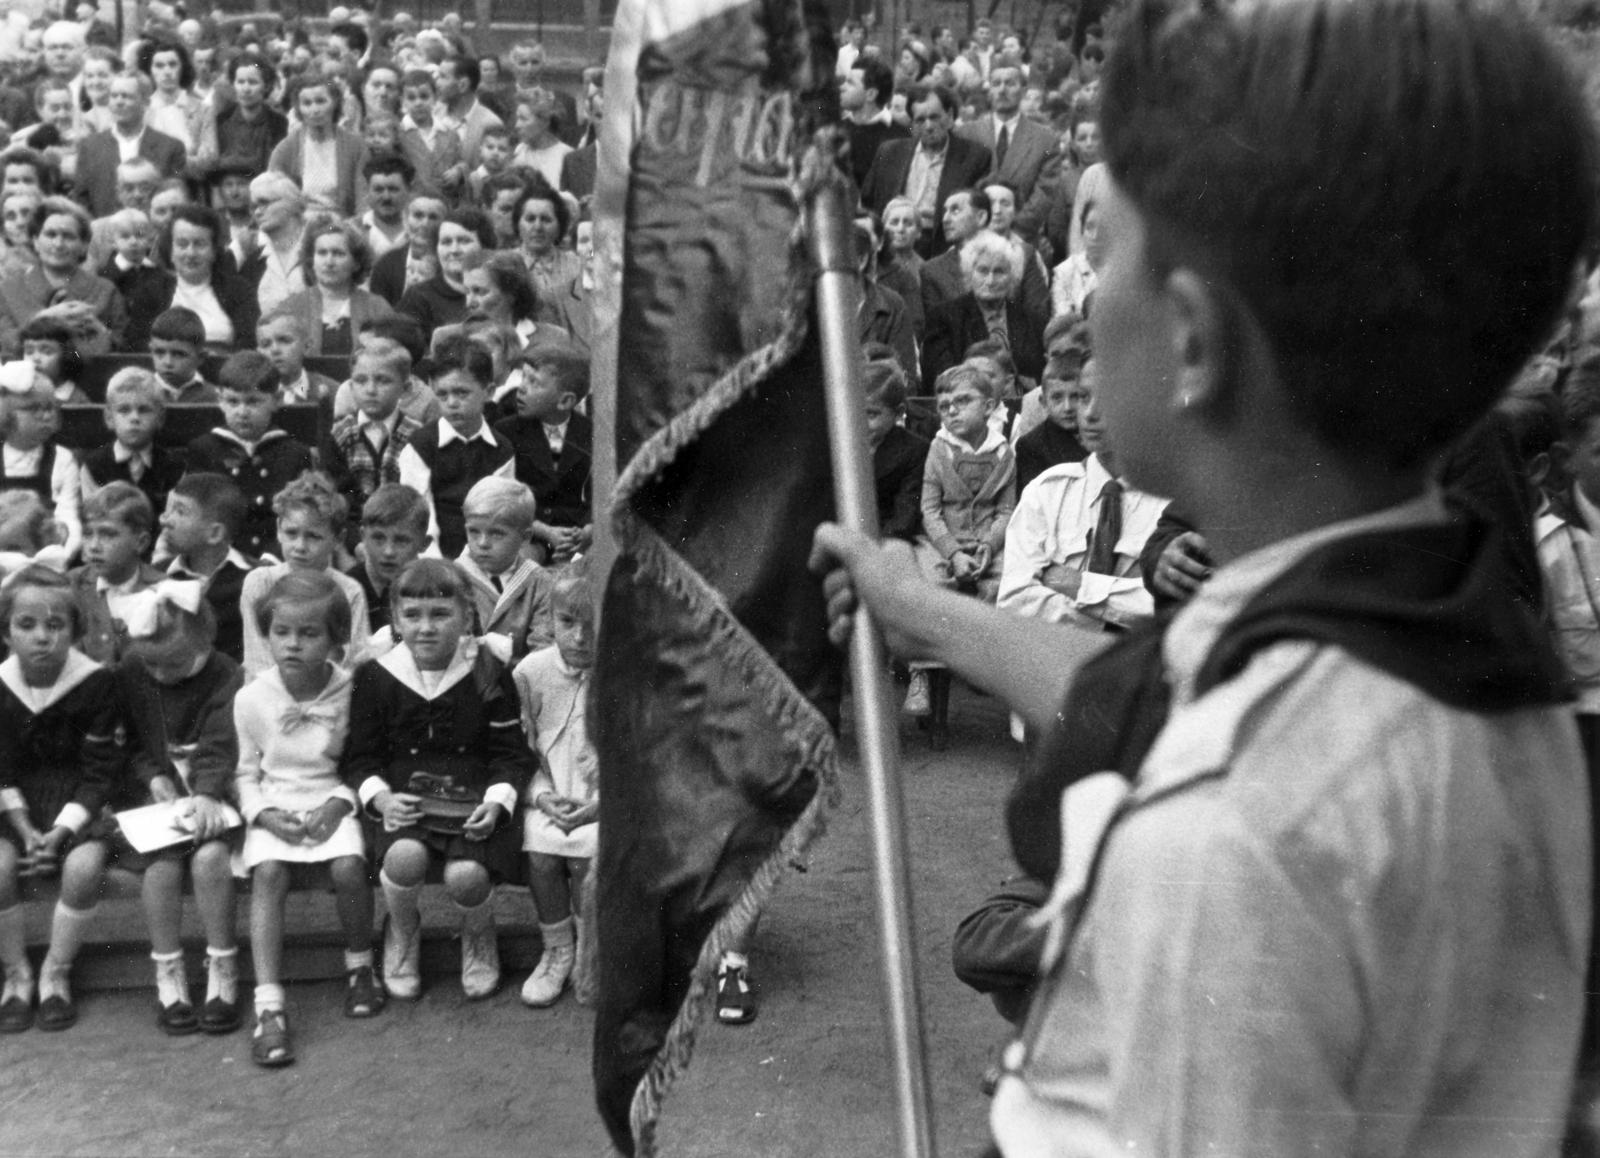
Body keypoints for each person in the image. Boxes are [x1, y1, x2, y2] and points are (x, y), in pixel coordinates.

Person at [809, 0, 1597, 1151]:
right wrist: (920, 607)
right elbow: (1151, 685)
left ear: (1189, 339)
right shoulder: (1439, 615)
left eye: (1106, 247)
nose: (1087, 284)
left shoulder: (1230, 841)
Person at [341, 557, 535, 1002]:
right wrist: (383, 799)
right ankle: (403, 930)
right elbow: (360, 758)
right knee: (404, 857)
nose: (425, 628)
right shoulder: (376, 676)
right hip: (404, 800)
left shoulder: (487, 670)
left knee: (466, 874)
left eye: (440, 614)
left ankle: (478, 934)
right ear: (395, 619)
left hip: (472, 800)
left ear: (466, 616)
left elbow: (511, 755)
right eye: (412, 615)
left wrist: (498, 801)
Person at [236, 571, 383, 1068]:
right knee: (269, 873)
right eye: (281, 632)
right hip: (276, 802)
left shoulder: (354, 691)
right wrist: (264, 815)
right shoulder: (252, 697)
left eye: (309, 633)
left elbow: (361, 761)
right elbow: (246, 773)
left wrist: (340, 803)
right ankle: (270, 1005)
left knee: (347, 868)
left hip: (332, 798)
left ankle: (361, 967)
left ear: (337, 639)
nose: (293, 644)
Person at [116, 583, 245, 1037]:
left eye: (172, 664)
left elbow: (221, 741)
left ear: (205, 644)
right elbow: (129, 737)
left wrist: (207, 791)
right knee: (161, 870)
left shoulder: (226, 674)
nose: (160, 674)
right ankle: (168, 970)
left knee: (211, 859)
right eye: (151, 663)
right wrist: (151, 774)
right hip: (161, 800)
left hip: (216, 791)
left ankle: (223, 966)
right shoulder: (135, 668)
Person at [0, 565, 123, 1033]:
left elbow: (99, 770)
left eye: (56, 625)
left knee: (83, 867)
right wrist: (26, 829)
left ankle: (56, 970)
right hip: (15, 808)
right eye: (26, 625)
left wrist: (62, 830)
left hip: (80, 803)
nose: (42, 638)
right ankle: (16, 972)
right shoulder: (1, 686)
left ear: (75, 630)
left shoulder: (96, 683)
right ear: (6, 631)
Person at [998, 368, 1166, 632]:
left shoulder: (1175, 500)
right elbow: (1014, 602)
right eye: (1084, 397)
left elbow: (1177, 608)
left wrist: (1078, 586)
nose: (1089, 413)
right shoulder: (1046, 492)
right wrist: (1118, 618)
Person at [513, 559, 596, 1008]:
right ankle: (557, 950)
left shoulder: (621, 671)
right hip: (547, 793)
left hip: (602, 799)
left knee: (586, 860)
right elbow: (519, 747)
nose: (580, 638)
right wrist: (541, 795)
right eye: (568, 622)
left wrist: (601, 802)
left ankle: (590, 948)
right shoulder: (531, 672)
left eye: (592, 624)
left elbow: (632, 750)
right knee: (542, 856)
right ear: (550, 620)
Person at [237, 471, 368, 679]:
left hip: (329, 698)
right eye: (291, 533)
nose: (300, 546)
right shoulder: (260, 582)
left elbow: (355, 662)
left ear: (338, 538)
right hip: (266, 698)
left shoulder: (349, 590)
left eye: (314, 536)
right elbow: (258, 661)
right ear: (278, 529)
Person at [186, 351, 316, 561]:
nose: (242, 411)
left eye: (253, 402)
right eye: (233, 401)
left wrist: (271, 558)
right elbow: (198, 515)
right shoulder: (204, 450)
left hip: (275, 558)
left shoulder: (294, 453)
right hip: (220, 559)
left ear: (276, 400)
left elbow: (298, 517)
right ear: (220, 401)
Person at [398, 338, 515, 559]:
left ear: (488, 391)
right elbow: (419, 514)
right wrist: (437, 563)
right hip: (431, 556)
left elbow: (499, 513)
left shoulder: (501, 450)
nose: (451, 403)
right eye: (442, 395)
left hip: (483, 553)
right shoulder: (421, 446)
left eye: (462, 393)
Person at [860, 83, 992, 258]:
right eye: (920, 120)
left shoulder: (974, 157)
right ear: (911, 123)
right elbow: (868, 203)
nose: (928, 126)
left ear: (950, 116)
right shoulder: (890, 152)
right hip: (893, 247)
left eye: (935, 117)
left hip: (944, 248)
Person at [495, 340, 591, 561]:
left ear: (565, 401)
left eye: (534, 382)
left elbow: (601, 492)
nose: (522, 388)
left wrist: (587, 530)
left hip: (577, 539)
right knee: (522, 564)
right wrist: (546, 532)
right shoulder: (506, 431)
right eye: (523, 377)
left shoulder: (591, 434)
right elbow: (504, 496)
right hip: (528, 533)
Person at [0, 197, 126, 358]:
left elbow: (120, 347)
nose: (58, 244)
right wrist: (43, 320)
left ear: (84, 245)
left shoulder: (106, 290)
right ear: (35, 241)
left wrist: (100, 331)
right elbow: (6, 346)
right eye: (50, 235)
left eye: (68, 236)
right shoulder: (8, 289)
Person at [923, 229, 1047, 391]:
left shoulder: (1033, 321)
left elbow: (1040, 377)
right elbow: (941, 376)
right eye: (983, 271)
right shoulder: (944, 319)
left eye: (999, 271)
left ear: (1013, 276)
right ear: (969, 273)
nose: (990, 280)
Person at [322, 342, 425, 524]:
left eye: (383, 380)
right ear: (351, 386)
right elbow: (338, 496)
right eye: (361, 381)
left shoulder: (417, 436)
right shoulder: (340, 435)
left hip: (400, 527)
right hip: (352, 529)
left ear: (405, 388)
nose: (370, 390)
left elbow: (416, 497)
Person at [158, 472, 254, 665]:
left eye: (180, 512)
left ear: (215, 533)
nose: (166, 520)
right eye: (169, 510)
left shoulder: (255, 578)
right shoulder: (156, 576)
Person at [456, 475, 553, 664]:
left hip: (518, 682)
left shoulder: (539, 582)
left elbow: (543, 650)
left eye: (496, 533)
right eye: (473, 531)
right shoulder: (451, 577)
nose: (483, 543)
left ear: (525, 538)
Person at [133, 206, 260, 350]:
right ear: (171, 250)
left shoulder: (239, 290)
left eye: (199, 244)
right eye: (182, 244)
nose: (191, 253)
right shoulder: (150, 292)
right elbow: (137, 344)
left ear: (214, 250)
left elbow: (249, 342)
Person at [68, 482, 163, 663]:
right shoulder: (71, 585)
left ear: (141, 542)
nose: (94, 546)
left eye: (108, 534)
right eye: (88, 534)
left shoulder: (162, 591)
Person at [278, 216, 393, 359]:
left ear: (356, 263)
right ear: (311, 260)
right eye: (322, 253)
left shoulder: (377, 308)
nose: (329, 261)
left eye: (338, 253)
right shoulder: (290, 308)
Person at [74, 73, 186, 220]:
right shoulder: (90, 147)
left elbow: (176, 200)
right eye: (114, 96)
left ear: (146, 102)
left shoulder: (170, 147)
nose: (119, 102)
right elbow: (82, 200)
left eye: (126, 96)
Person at [0, 360, 81, 558]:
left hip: (45, 553)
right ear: (6, 413)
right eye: (33, 408)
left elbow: (68, 516)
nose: (46, 416)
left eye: (50, 407)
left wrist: (62, 555)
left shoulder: (61, 458)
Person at [80, 367, 183, 519]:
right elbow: (94, 518)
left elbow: (172, 518)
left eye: (144, 410)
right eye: (124, 410)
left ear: (160, 418)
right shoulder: (94, 466)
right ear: (109, 418)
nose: (134, 418)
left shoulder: (174, 467)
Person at [959, 62, 1059, 208]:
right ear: (989, 92)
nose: (1002, 90)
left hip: (1021, 227)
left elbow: (1045, 192)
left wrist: (1017, 225)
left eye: (1010, 84)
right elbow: (959, 184)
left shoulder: (1046, 140)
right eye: (996, 83)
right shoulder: (966, 134)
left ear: (1023, 92)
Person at [269, 75, 369, 219]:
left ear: (334, 102)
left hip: (343, 223)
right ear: (298, 108)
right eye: (307, 103)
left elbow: (363, 198)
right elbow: (273, 197)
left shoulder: (356, 146)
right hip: (299, 224)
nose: (315, 110)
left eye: (321, 101)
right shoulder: (286, 149)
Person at [347, 482, 430, 641]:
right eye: (378, 538)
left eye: (401, 541)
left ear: (424, 543)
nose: (388, 551)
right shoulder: (347, 589)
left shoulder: (432, 588)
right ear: (363, 536)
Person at [397, 206, 493, 334]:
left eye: (464, 241)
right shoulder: (418, 298)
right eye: (446, 242)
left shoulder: (501, 293)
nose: (454, 250)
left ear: (485, 246)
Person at [864, 357, 929, 543]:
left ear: (899, 412)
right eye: (855, 411)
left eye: (871, 414)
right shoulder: (836, 445)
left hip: (887, 541)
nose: (860, 422)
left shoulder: (914, 450)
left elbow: (905, 515)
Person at [137, 37, 216, 179]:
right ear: (150, 70)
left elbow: (208, 160)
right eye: (159, 66)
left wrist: (164, 162)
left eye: (172, 64)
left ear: (183, 67)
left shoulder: (202, 110)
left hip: (191, 189)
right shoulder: (141, 111)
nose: (167, 71)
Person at [1014, 362, 1088, 493]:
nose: (1067, 407)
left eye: (1075, 396)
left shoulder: (1097, 435)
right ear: (1044, 402)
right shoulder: (1032, 445)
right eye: (1057, 398)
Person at [511, 179, 580, 309]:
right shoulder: (503, 265)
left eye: (546, 219)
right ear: (518, 224)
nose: (537, 227)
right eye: (530, 219)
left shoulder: (576, 265)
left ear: (560, 225)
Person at [841, 55, 908, 190]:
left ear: (871, 94)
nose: (842, 87)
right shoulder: (837, 131)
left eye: (850, 83)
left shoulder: (899, 138)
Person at [215, 52, 287, 176]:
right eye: (240, 82)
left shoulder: (278, 123)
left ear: (266, 86)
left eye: (253, 82)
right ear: (233, 84)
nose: (246, 89)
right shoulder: (221, 121)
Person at [369, 193, 443, 308]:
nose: (425, 224)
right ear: (405, 219)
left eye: (433, 217)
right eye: (418, 215)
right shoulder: (385, 265)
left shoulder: (451, 264)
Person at [144, 307, 214, 404]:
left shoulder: (213, 397)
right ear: (151, 350)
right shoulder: (140, 393)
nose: (167, 362)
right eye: (159, 352)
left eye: (179, 354)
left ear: (201, 357)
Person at [19, 316, 89, 406]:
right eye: (29, 352)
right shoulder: (17, 395)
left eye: (46, 352)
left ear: (66, 356)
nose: (35, 358)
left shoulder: (78, 401)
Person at [510, 88, 571, 190]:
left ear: (544, 122)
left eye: (523, 119)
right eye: (517, 118)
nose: (517, 125)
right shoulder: (520, 150)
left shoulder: (566, 155)